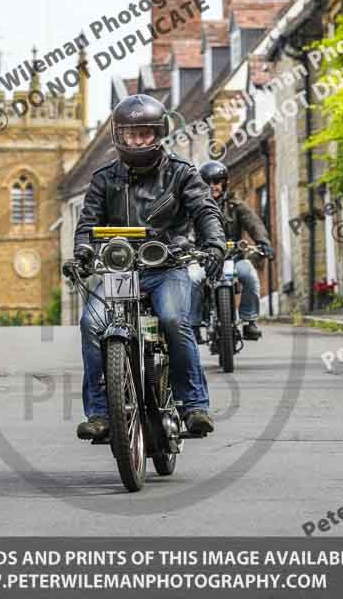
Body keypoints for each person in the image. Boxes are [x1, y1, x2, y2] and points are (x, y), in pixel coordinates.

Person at [64, 94, 226, 441]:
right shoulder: (105, 178)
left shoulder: (182, 173)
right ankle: (99, 413)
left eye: (144, 133)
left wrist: (213, 244)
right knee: (91, 325)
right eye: (130, 134)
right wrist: (82, 251)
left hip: (168, 265)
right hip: (120, 270)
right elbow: (87, 225)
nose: (137, 140)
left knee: (173, 320)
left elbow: (205, 211)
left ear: (158, 133)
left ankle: (194, 405)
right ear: (119, 136)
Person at [190, 161, 273, 341]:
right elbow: (185, 228)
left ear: (225, 183)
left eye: (217, 182)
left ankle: (249, 321)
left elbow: (253, 222)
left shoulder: (235, 205)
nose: (213, 186)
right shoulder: (194, 205)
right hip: (204, 259)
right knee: (194, 279)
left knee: (250, 275)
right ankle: (194, 325)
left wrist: (263, 242)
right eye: (208, 183)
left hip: (233, 258)